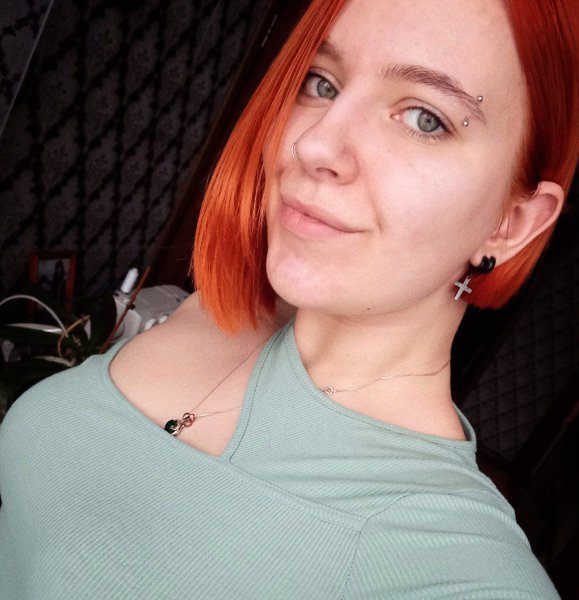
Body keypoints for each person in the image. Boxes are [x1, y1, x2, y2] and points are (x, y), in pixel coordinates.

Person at [0, 0, 577, 597]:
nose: (314, 144)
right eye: (321, 83)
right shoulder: (215, 310)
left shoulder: (456, 570)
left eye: (425, 118)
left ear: (511, 224)